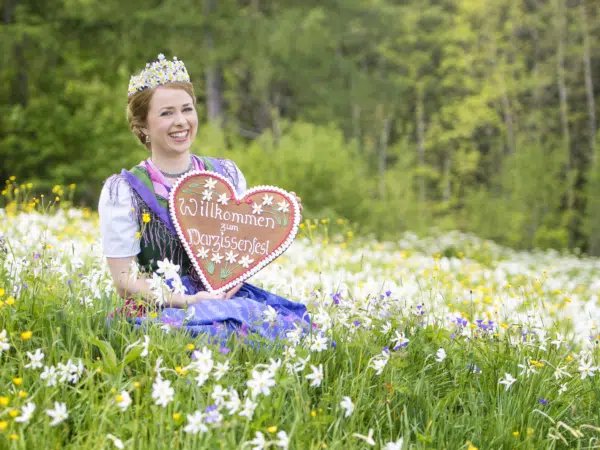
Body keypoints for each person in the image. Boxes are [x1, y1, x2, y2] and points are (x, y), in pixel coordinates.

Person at [98, 54, 309, 342]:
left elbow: (242, 251)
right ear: (143, 126)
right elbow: (124, 282)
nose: (181, 121)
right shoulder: (125, 191)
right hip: (164, 307)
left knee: (291, 332)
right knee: (220, 337)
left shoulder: (226, 174)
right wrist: (191, 301)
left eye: (187, 109)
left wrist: (282, 218)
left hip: (229, 299)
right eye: (166, 113)